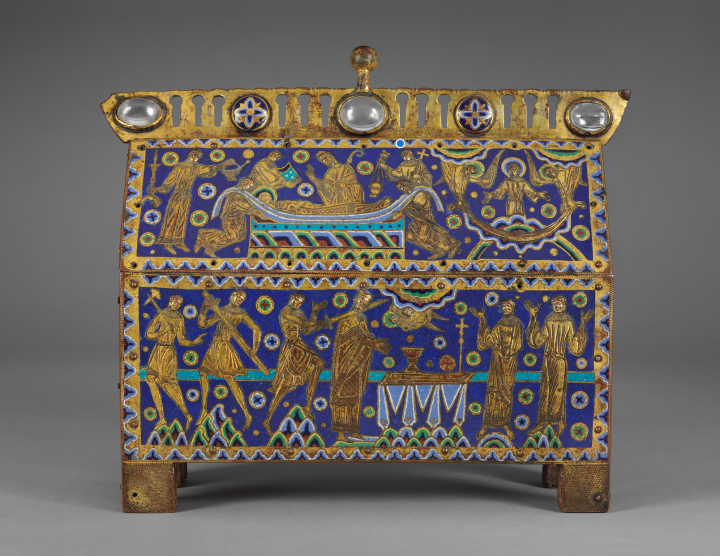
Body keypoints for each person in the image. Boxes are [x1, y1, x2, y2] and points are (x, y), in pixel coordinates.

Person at [524, 295, 592, 437]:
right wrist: (534, 317)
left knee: (558, 392)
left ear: (564, 306)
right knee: (545, 390)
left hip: (560, 360)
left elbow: (574, 345)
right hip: (547, 359)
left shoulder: (568, 322)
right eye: (555, 304)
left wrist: (583, 323)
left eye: (560, 304)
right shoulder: (549, 320)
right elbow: (539, 340)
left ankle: (559, 422)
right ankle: (542, 421)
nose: (557, 307)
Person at [262, 294, 328, 434]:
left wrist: (315, 312)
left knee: (319, 363)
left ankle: (308, 405)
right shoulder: (285, 312)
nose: (297, 303)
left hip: (300, 346)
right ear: (290, 299)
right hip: (291, 348)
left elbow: (307, 330)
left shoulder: (298, 312)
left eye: (300, 302)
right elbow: (304, 324)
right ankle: (267, 419)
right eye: (296, 300)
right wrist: (322, 323)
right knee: (284, 386)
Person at [330, 290, 390, 442]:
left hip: (358, 364)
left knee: (356, 397)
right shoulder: (347, 318)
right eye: (360, 300)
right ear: (355, 300)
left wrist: (376, 342)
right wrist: (371, 343)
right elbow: (346, 339)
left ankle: (354, 430)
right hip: (345, 363)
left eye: (365, 302)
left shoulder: (361, 317)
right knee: (341, 397)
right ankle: (340, 434)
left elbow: (365, 336)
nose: (362, 304)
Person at [196, 290, 261, 431]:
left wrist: (254, 348)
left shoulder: (240, 313)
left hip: (224, 346)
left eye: (241, 299)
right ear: (231, 296)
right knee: (203, 373)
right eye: (237, 296)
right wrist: (203, 309)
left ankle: (246, 413)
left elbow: (256, 328)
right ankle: (203, 410)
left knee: (229, 378)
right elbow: (203, 324)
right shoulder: (220, 310)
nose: (238, 299)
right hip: (214, 346)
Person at [379, 150, 460, 259]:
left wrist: (419, 176)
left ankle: (450, 246)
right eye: (404, 155)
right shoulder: (403, 166)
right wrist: (386, 167)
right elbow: (396, 174)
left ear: (411, 155)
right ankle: (439, 250)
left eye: (407, 155)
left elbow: (428, 176)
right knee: (411, 237)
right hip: (417, 217)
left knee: (424, 236)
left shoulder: (418, 167)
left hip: (423, 215)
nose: (405, 157)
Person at [145, 294, 206, 430]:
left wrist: (194, 342)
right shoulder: (161, 314)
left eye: (179, 303)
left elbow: (181, 340)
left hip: (168, 352)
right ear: (170, 302)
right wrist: (162, 332)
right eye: (175, 302)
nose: (177, 305)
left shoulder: (179, 318)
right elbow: (148, 334)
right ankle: (162, 418)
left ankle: (187, 414)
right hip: (158, 350)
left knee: (167, 384)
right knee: (151, 380)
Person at [153, 150, 225, 254]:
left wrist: (221, 165)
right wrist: (158, 189)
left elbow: (208, 169)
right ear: (191, 155)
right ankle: (167, 243)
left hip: (187, 195)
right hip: (177, 194)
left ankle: (178, 241)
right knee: (172, 217)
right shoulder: (179, 166)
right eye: (195, 156)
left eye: (198, 157)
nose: (196, 158)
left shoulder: (196, 167)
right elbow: (170, 180)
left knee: (182, 218)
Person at [470, 299, 523, 440]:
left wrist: (506, 351)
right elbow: (489, 339)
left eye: (508, 307)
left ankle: (505, 423)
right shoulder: (500, 323)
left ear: (513, 309)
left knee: (506, 393)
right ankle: (487, 423)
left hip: (508, 362)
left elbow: (517, 344)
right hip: (497, 360)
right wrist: (482, 318)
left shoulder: (517, 323)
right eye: (504, 307)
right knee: (493, 391)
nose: (506, 309)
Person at [194, 177, 262, 257]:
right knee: (232, 236)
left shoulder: (242, 194)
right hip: (230, 218)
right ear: (242, 182)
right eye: (247, 184)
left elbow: (247, 205)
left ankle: (209, 248)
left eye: (249, 186)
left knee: (239, 237)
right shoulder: (234, 194)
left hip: (240, 219)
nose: (247, 187)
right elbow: (241, 204)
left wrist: (256, 210)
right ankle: (203, 235)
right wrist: (254, 210)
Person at [483, 162, 550, 218]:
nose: (512, 171)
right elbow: (500, 191)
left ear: (518, 170)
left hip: (519, 202)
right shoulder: (507, 181)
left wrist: (538, 194)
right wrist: (491, 195)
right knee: (510, 217)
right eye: (510, 169)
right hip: (511, 202)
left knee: (520, 217)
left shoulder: (522, 181)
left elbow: (530, 191)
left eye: (514, 169)